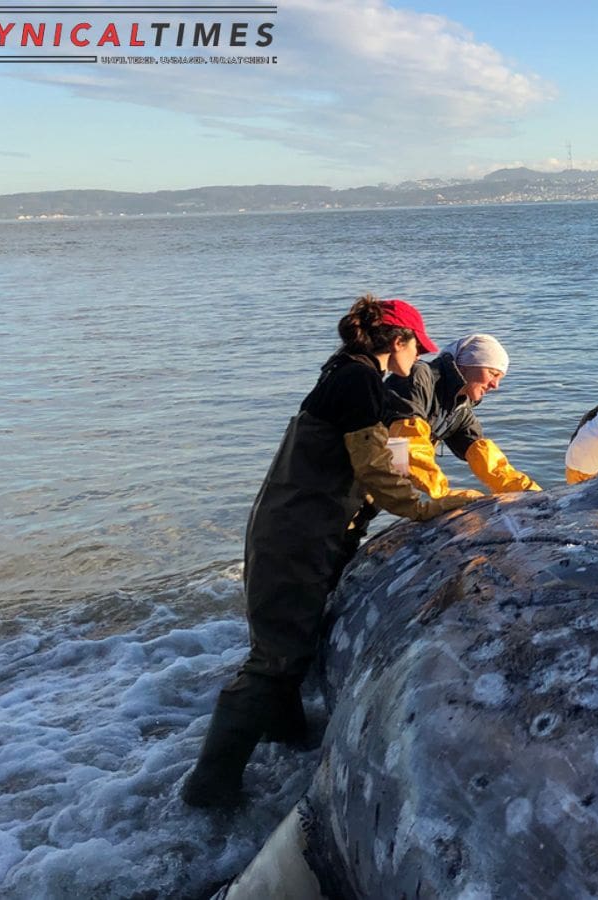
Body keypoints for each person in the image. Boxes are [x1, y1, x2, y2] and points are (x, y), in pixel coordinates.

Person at [183, 296, 480, 808]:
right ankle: (208, 791)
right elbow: (376, 473)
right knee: (275, 660)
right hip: (295, 538)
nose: (419, 358)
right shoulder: (358, 380)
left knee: (289, 649)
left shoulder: (348, 374)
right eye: (417, 346)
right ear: (398, 341)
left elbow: (369, 462)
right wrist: (430, 508)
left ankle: (287, 740)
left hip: (297, 532)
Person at [386, 333, 541, 496]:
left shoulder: (459, 408)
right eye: (493, 374)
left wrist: (529, 493)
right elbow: (407, 441)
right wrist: (442, 494)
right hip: (361, 465)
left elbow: (489, 463)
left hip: (380, 478)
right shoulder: (419, 376)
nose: (495, 385)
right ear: (466, 365)